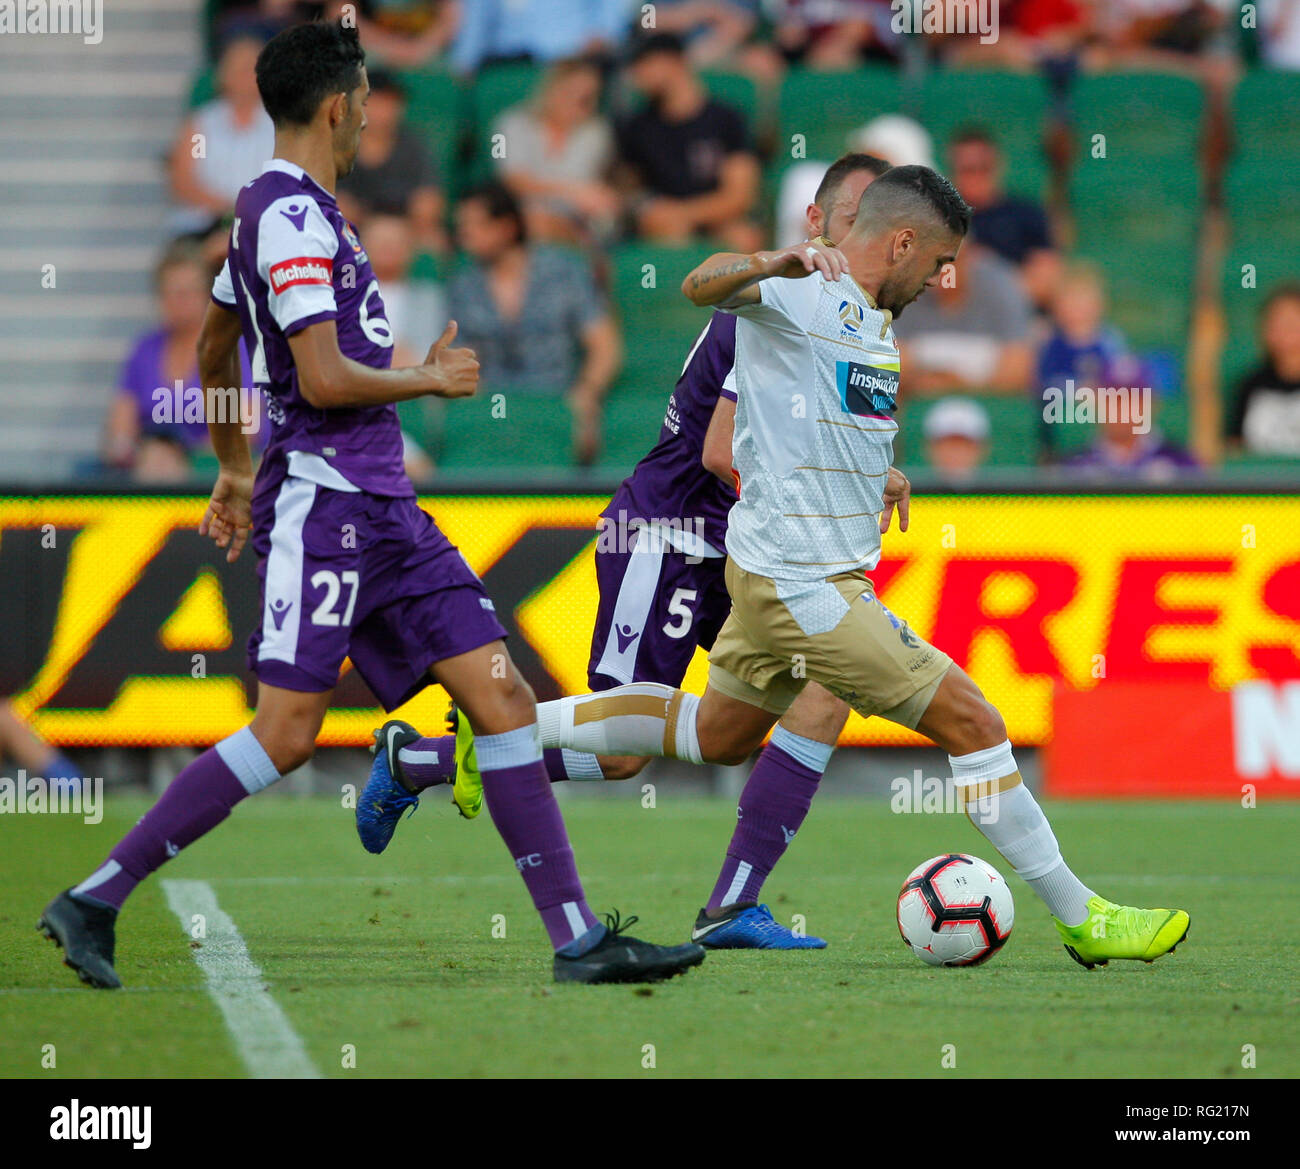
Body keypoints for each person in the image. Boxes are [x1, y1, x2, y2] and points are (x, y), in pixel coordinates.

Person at [38, 20, 702, 990]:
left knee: (503, 695)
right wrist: (423, 379)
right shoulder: (293, 219)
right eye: (364, 105)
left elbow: (220, 346)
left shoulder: (282, 212)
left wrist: (228, 463)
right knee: (287, 731)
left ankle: (575, 937)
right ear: (339, 106)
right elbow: (317, 374)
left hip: (387, 506)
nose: (370, 123)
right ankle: (94, 894)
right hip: (326, 506)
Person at [468, 165, 1190, 969]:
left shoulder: (873, 322)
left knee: (716, 732)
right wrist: (772, 262)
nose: (943, 278)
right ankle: (1083, 915)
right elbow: (699, 285)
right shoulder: (802, 290)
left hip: (790, 579)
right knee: (975, 720)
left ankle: (501, 732)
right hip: (803, 588)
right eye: (940, 259)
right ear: (905, 240)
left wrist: (875, 474)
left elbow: (801, 428)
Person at [358, 153, 891, 951]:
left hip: (741, 547)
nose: (872, 239)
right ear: (815, 223)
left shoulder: (842, 314)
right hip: (672, 534)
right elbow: (721, 450)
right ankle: (424, 760)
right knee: (622, 761)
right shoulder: (782, 302)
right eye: (857, 218)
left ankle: (732, 905)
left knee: (811, 697)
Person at [446, 182, 621, 465]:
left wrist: (587, 394)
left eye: (474, 225)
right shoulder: (463, 282)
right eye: (461, 225)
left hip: (556, 399)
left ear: (506, 227)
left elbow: (604, 345)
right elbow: (460, 356)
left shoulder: (564, 270)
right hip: (492, 404)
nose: (464, 234)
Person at [104, 240, 255, 482]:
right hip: (150, 468)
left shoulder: (231, 350)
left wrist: (185, 460)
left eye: (187, 293)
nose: (178, 302)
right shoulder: (144, 350)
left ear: (208, 294)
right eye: (170, 293)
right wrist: (135, 453)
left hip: (212, 477)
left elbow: (245, 432)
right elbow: (120, 428)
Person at [616, 32, 761, 250]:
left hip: (716, 218)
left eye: (645, 63)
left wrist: (683, 214)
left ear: (675, 62)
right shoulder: (637, 126)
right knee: (668, 231)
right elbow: (628, 190)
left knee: (744, 237)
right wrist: (648, 209)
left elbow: (739, 196)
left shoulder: (726, 118)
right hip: (664, 223)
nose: (638, 74)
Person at [494, 57, 619, 244]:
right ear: (551, 90)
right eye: (571, 94)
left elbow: (589, 191)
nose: (579, 104)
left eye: (588, 99)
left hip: (576, 223)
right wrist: (573, 193)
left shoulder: (596, 132)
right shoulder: (510, 124)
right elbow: (513, 180)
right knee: (534, 220)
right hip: (520, 218)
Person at [896, 242, 1035, 395]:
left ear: (968, 258)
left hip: (988, 403)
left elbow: (1018, 368)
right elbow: (892, 363)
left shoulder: (1002, 286)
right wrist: (926, 381)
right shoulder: (906, 291)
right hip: (918, 402)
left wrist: (960, 384)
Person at [169, 34, 275, 232]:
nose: (247, 78)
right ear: (224, 75)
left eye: (252, 70)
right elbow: (183, 181)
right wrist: (229, 211)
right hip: (206, 224)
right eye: (241, 70)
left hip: (265, 226)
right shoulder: (201, 124)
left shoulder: (279, 125)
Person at [335, 68, 447, 254]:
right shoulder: (339, 146)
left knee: (434, 241)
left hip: (407, 230)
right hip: (357, 230)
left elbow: (429, 203)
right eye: (375, 102)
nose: (383, 111)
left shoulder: (414, 145)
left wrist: (396, 229)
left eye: (390, 103)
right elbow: (338, 205)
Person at [948, 126, 1060, 310]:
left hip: (1017, 321)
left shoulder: (1026, 214)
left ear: (997, 166)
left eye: (983, 167)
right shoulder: (939, 219)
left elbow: (1045, 286)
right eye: (967, 169)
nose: (975, 176)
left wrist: (986, 270)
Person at [1226, 282, 1300, 456]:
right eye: (1276, 320)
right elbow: (1234, 446)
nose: (1284, 329)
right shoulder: (1249, 385)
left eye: (1292, 320)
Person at [922, 396, 991, 483]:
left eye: (964, 445)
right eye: (949, 445)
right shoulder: (908, 494)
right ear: (930, 448)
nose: (956, 453)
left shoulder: (1002, 494)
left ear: (981, 449)